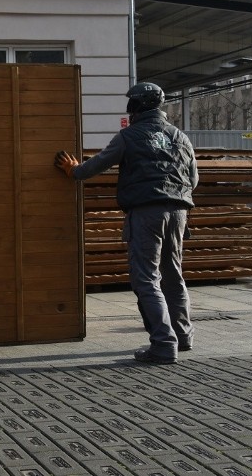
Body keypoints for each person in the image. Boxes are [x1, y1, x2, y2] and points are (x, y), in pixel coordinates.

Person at [54, 82, 198, 365]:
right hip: (179, 211)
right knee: (173, 276)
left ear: (137, 106)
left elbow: (91, 169)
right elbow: (193, 180)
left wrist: (73, 170)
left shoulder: (129, 136)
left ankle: (163, 344)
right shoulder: (180, 136)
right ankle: (182, 336)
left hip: (146, 212)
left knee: (146, 278)